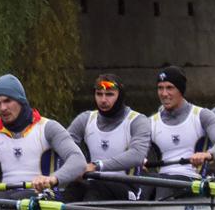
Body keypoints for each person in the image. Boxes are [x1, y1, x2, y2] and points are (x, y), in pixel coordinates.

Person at [0, 74, 86, 210]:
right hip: (6, 197)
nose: (2, 108)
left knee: (12, 206)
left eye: (7, 101)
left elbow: (78, 161)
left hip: (44, 196)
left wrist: (53, 179)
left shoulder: (48, 128)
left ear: (21, 100)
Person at [63, 73, 151, 202]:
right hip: (94, 184)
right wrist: (73, 167)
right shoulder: (85, 119)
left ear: (120, 96)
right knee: (74, 188)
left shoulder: (137, 121)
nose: (103, 100)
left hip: (129, 188)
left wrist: (96, 166)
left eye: (109, 94)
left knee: (97, 188)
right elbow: (62, 147)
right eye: (99, 94)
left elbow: (137, 155)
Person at [149, 65, 215, 199]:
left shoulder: (203, 116)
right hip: (161, 179)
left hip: (192, 179)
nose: (164, 94)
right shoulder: (150, 122)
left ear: (180, 90)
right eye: (160, 88)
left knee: (163, 184)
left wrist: (207, 155)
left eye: (169, 88)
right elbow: (134, 150)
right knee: (143, 183)